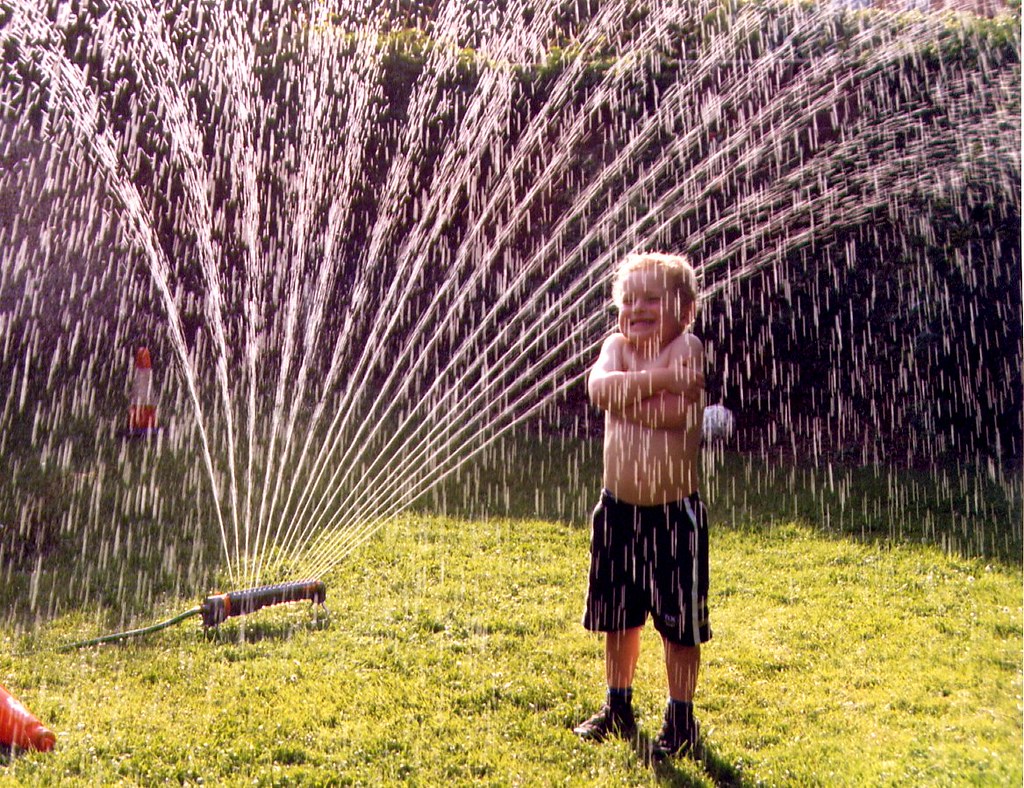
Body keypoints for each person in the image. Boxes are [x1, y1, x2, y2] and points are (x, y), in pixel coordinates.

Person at [573, 252, 709, 761]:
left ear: (685, 309)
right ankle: (618, 705)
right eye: (629, 300)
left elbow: (675, 417)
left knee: (679, 626)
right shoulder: (616, 347)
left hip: (674, 514)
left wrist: (630, 399)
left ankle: (681, 717)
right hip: (618, 511)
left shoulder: (687, 346)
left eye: (652, 298)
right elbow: (598, 388)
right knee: (618, 617)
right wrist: (656, 383)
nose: (638, 308)